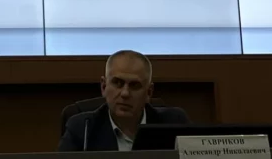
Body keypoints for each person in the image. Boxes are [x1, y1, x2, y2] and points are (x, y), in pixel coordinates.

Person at [59, 50, 190, 151]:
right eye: (117, 83)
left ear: (149, 92)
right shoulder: (82, 128)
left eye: (134, 85)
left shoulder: (174, 123)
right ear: (104, 87)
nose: (125, 93)